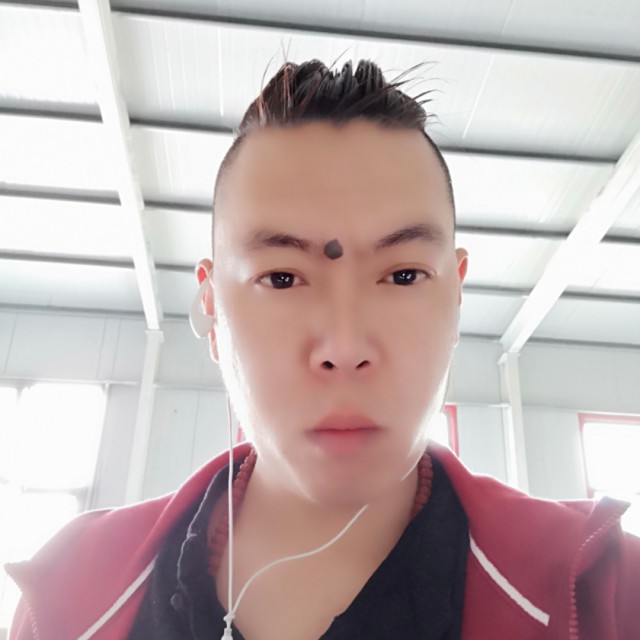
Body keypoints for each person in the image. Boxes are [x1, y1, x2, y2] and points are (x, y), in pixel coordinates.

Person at [5, 59, 640, 640]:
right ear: (212, 308)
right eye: (282, 278)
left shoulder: (611, 594)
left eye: (403, 275)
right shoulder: (71, 596)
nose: (344, 347)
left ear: (455, 295)